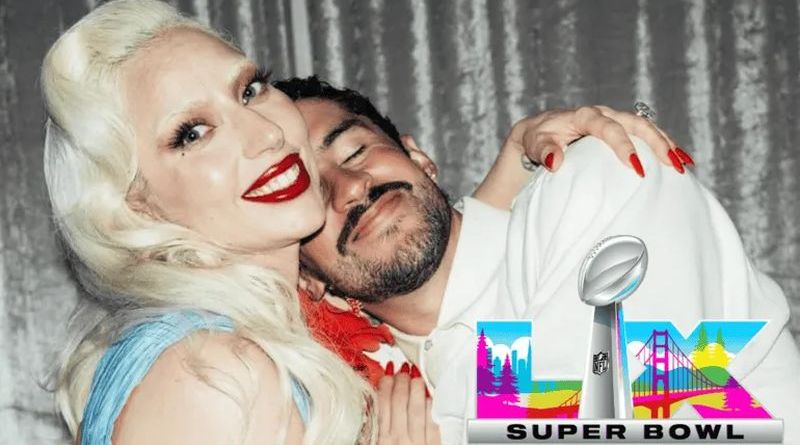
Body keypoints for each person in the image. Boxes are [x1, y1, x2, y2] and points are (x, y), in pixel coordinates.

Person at [275, 77, 800, 444]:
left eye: (355, 150)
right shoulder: (374, 399)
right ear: (307, 278)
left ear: (418, 158)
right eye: (311, 193)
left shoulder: (591, 177)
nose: (352, 187)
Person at [42, 1, 378, 444]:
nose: (268, 133)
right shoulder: (213, 374)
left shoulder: (221, 354)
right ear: (136, 205)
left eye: (250, 90)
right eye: (193, 133)